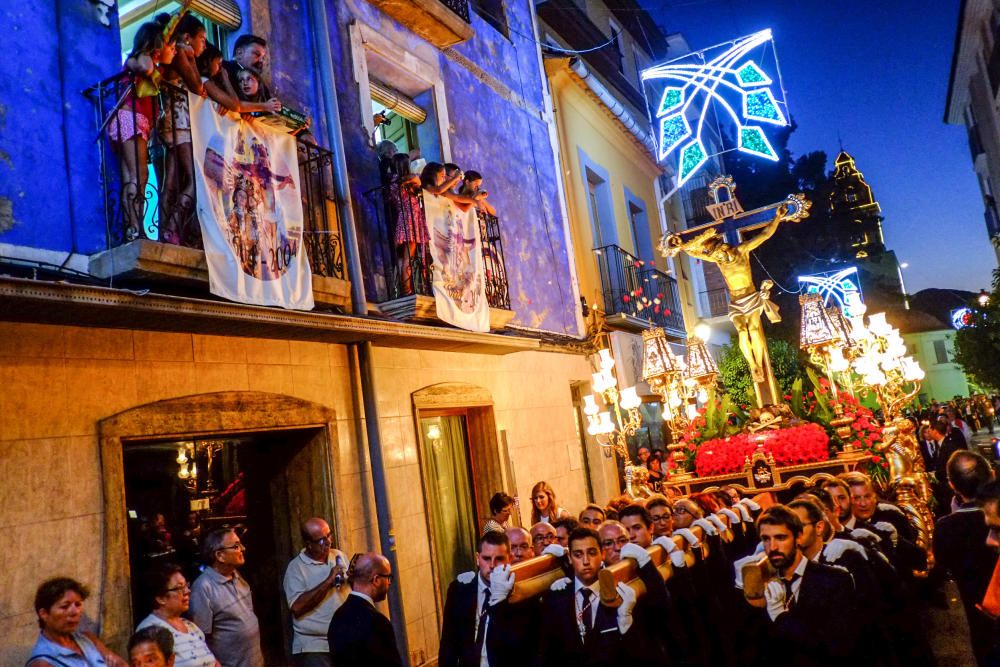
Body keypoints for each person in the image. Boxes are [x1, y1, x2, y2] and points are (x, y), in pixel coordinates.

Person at [757, 504, 861, 663]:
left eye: (781, 537)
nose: (773, 547)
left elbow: (837, 646)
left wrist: (781, 617)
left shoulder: (834, 579)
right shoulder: (763, 584)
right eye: (766, 539)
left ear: (798, 537)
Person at [108, 19, 177, 243]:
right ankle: (136, 227)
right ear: (156, 45)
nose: (172, 50)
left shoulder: (144, 62)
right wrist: (154, 54)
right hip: (131, 119)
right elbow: (145, 66)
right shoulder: (137, 59)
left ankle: (133, 227)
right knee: (140, 175)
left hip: (133, 121)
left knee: (132, 175)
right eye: (169, 45)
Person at [935, 451, 999, 665]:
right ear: (991, 474)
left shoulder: (946, 528)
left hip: (980, 621)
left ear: (952, 485)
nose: (990, 541)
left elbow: (942, 567)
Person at [539, 527, 637, 666]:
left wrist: (625, 619)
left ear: (602, 554)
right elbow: (546, 653)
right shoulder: (555, 598)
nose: (586, 561)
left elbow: (634, 653)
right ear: (570, 558)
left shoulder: (619, 595)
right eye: (578, 555)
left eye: (591, 553)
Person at [439, 531, 516, 667]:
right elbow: (448, 644)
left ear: (509, 559)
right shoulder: (459, 590)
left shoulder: (517, 592)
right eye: (486, 558)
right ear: (477, 558)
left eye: (499, 559)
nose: (492, 565)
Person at [188, 528, 263, 667]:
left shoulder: (238, 576)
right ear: (220, 555)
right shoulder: (203, 588)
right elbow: (200, 638)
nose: (243, 549)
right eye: (236, 546)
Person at [283, 518, 350, 667]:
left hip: (343, 640)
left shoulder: (338, 555)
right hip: (315, 646)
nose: (328, 542)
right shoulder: (296, 568)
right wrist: (328, 582)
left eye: (329, 535)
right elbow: (297, 608)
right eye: (321, 539)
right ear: (308, 544)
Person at [27, 577, 128, 666]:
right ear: (44, 614)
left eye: (78, 605)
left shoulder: (88, 640)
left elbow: (121, 664)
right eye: (64, 607)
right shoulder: (43, 663)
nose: (75, 612)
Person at [327, 553, 402, 667]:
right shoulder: (378, 623)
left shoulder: (337, 617)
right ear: (376, 579)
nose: (389, 582)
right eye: (388, 577)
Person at [136, 563, 218, 667]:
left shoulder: (190, 626)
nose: (187, 591)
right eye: (179, 588)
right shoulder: (149, 632)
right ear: (160, 598)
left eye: (186, 586)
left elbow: (213, 662)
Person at [220, 35, 273, 102]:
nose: (261, 61)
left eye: (263, 58)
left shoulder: (259, 82)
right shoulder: (222, 68)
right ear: (239, 53)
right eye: (256, 54)